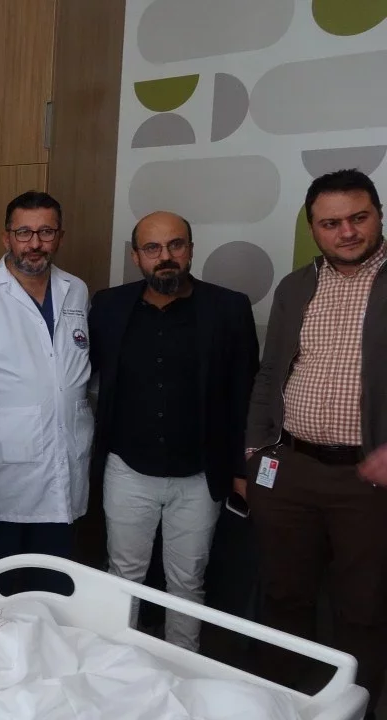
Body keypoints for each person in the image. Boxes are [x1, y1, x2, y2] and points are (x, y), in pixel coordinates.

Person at [245, 168, 387, 709]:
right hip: (290, 469)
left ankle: (352, 708)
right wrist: (255, 447)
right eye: (331, 223)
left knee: (363, 607)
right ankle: (284, 703)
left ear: (378, 215)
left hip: (367, 477)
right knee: (283, 595)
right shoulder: (295, 286)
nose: (346, 232)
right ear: (313, 228)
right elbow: (270, 372)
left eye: (358, 217)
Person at [88, 211, 259, 652]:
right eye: (152, 248)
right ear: (136, 256)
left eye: (175, 245)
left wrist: (240, 469)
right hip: (127, 468)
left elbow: (246, 393)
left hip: (200, 474)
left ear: (190, 250)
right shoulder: (108, 306)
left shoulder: (229, 308)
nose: (165, 256)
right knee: (123, 575)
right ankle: (117, 664)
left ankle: (181, 669)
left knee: (188, 581)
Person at [0, 191, 92, 614]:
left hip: (63, 469)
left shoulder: (76, 291)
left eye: (45, 232)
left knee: (52, 595)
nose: (35, 243)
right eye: (24, 232)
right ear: (6, 237)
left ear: (59, 236)